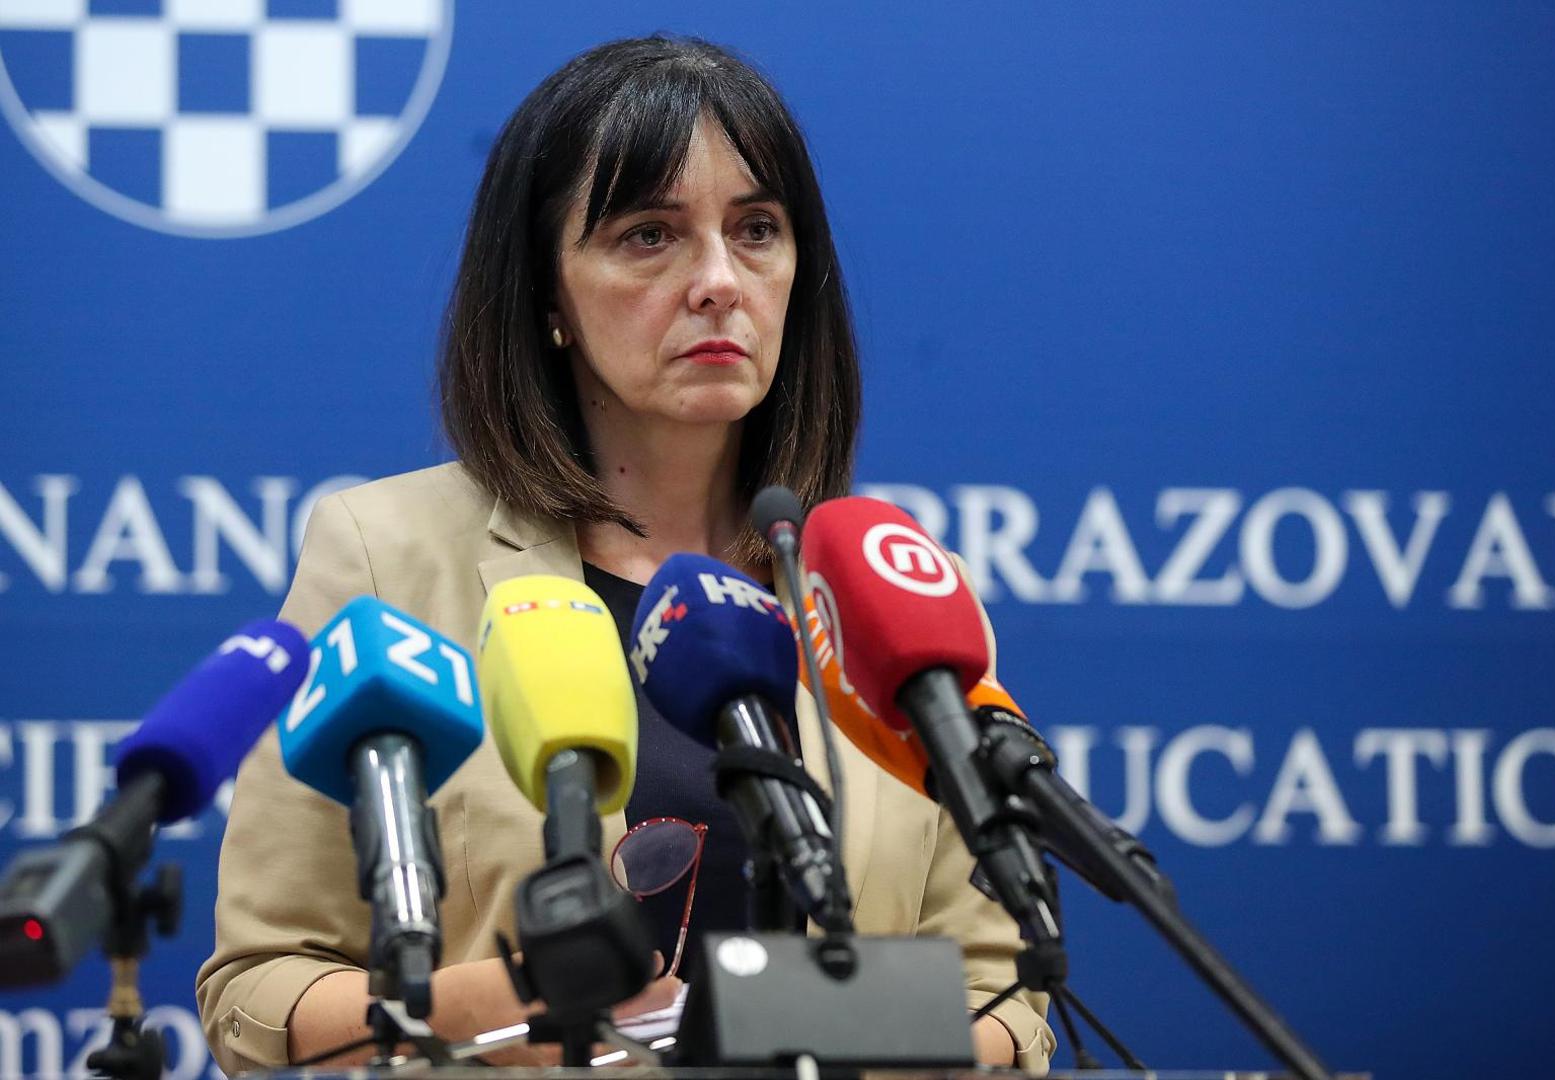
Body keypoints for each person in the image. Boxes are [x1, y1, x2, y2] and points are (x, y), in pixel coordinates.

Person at [195, 35, 1054, 1075]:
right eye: (650, 235)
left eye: (757, 231)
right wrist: (496, 1006)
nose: (719, 282)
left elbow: (1005, 998)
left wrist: (819, 1031)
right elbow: (260, 990)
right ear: (547, 295)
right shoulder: (386, 557)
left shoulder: (888, 593)